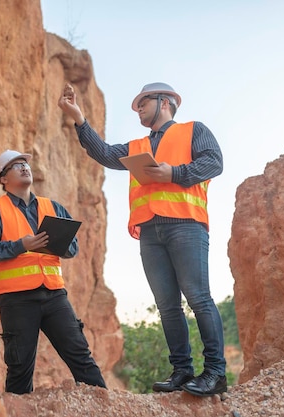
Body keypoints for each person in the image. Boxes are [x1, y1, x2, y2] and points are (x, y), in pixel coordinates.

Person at [57, 82, 227, 397]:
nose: (138, 109)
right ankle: (182, 371)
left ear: (165, 102)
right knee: (167, 306)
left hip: (185, 225)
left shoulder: (194, 130)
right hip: (150, 231)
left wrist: (173, 173)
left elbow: (214, 162)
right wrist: (78, 118)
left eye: (143, 103)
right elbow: (105, 154)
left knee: (198, 297)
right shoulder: (137, 146)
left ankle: (215, 372)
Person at [0, 149, 107, 394]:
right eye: (16, 165)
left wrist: (58, 242)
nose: (25, 167)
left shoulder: (52, 207)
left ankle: (105, 407)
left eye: (26, 164)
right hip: (17, 301)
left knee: (82, 358)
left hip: (54, 296)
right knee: (19, 369)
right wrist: (20, 245)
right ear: (3, 179)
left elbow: (73, 248)